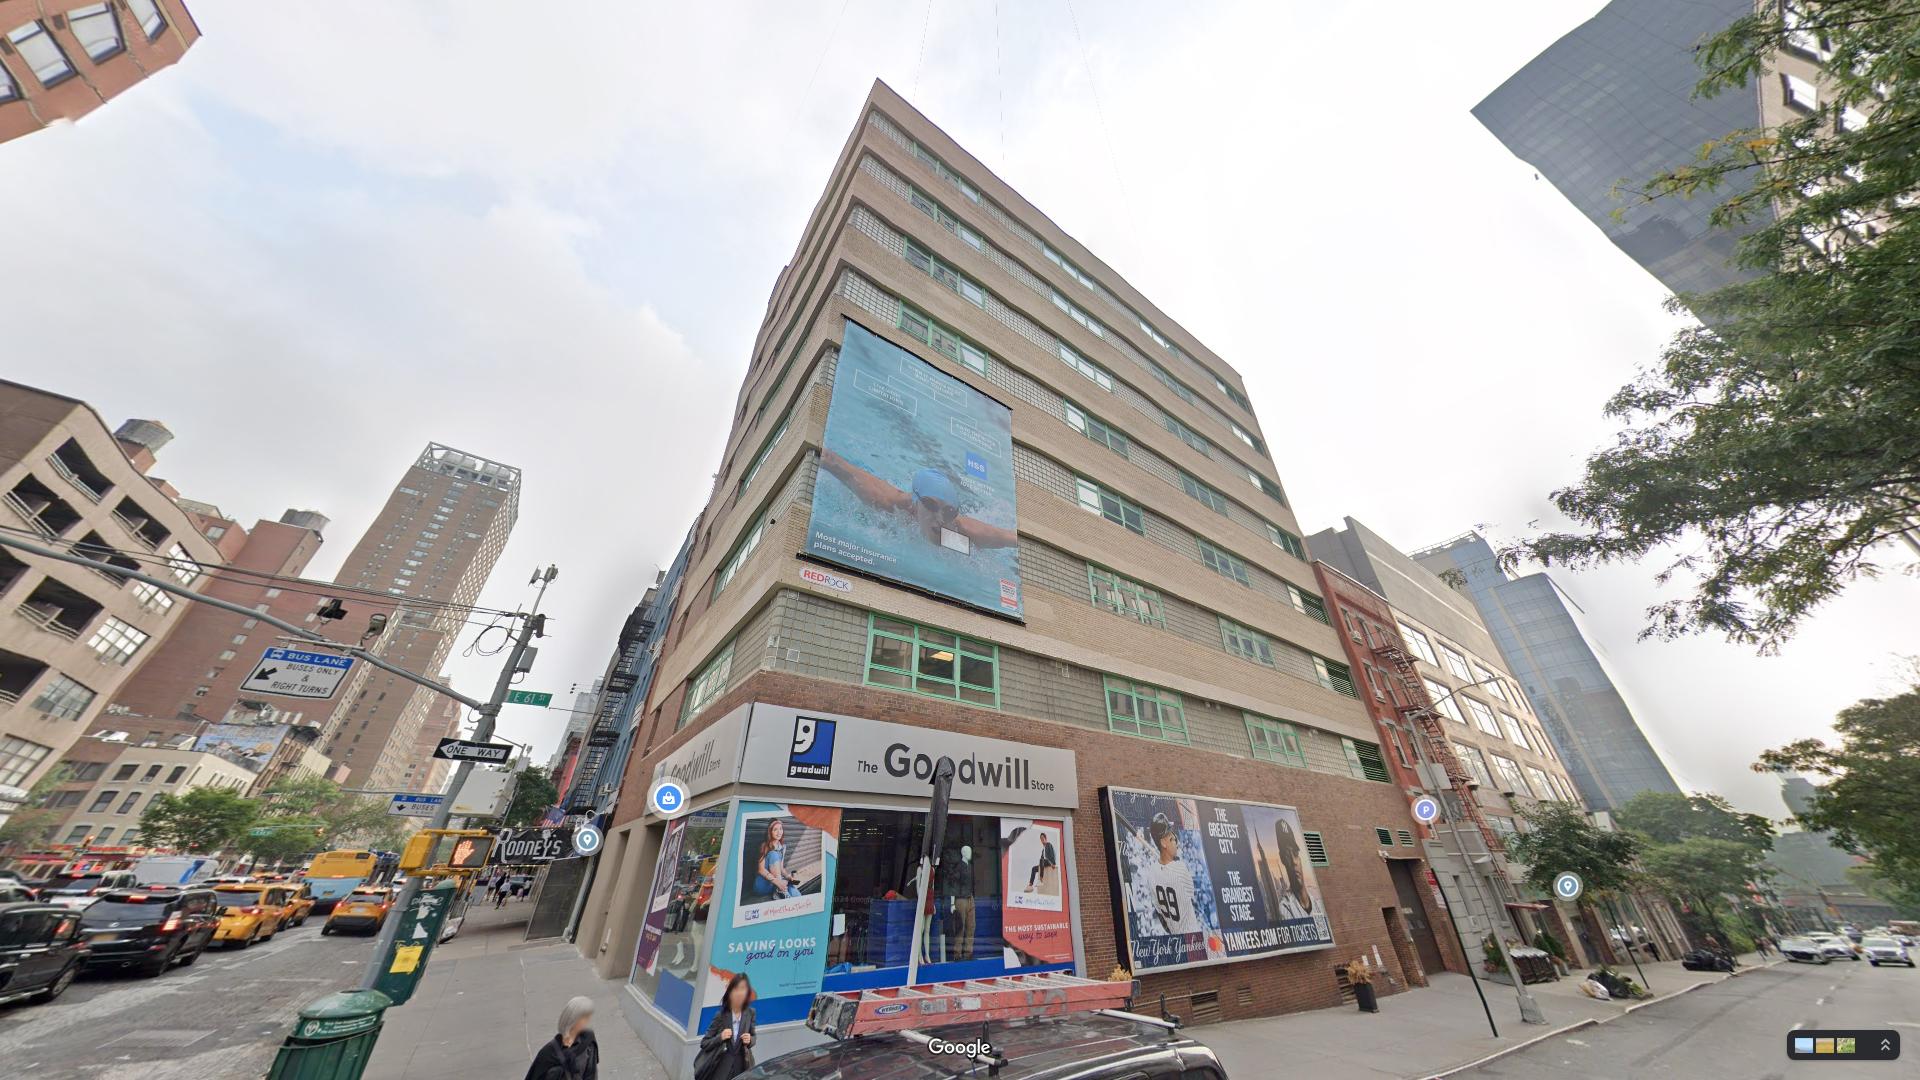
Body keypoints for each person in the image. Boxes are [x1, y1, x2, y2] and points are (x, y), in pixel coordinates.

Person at [818, 448, 1018, 553]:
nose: (940, 518)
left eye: (949, 511)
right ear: (915, 504)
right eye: (931, 505)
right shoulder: (888, 504)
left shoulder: (956, 533)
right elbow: (834, 462)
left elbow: (1007, 537)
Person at [1134, 812, 1202, 937]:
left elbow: (1162, 919)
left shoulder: (1152, 874)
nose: (1176, 841)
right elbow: (1190, 893)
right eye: (1171, 838)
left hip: (1175, 938)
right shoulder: (1180, 868)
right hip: (1192, 937)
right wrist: (1174, 862)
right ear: (1163, 843)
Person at [696, 973, 756, 1080]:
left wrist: (750, 1040)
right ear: (730, 992)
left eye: (743, 989)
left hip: (742, 1067)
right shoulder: (721, 1015)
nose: (740, 993)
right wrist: (720, 1037)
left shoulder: (750, 1013)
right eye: (736, 989)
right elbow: (704, 1043)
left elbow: (754, 1036)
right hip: (721, 1068)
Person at [525, 996, 599, 1080]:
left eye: (588, 1016)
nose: (588, 1020)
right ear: (573, 1019)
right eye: (584, 1017)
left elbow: (591, 1074)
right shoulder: (547, 1053)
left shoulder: (587, 1041)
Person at [754, 820, 801, 899]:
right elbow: (761, 870)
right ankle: (780, 890)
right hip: (762, 885)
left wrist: (788, 877)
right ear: (770, 832)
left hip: (774, 885)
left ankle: (796, 900)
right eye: (775, 829)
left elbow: (781, 868)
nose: (779, 832)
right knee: (773, 854)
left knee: (792, 887)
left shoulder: (783, 847)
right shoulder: (764, 846)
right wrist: (778, 882)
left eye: (780, 829)